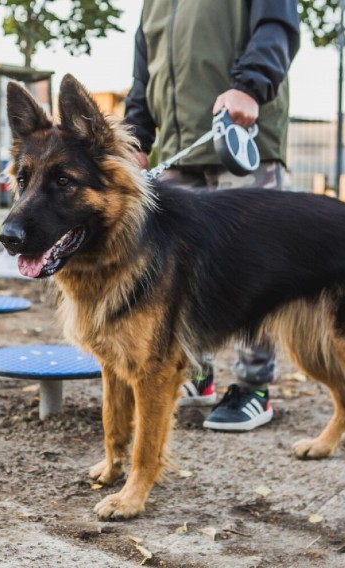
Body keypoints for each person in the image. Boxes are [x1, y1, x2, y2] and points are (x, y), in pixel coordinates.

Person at [124, 0, 300, 431]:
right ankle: (195, 372)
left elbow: (277, 27)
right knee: (174, 274)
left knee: (252, 270)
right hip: (179, 152)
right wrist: (135, 138)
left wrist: (251, 86)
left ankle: (253, 387)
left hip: (240, 142)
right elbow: (143, 76)